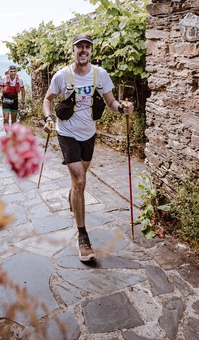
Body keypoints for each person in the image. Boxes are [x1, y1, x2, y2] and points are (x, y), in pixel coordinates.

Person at [42, 34, 133, 262]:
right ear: (72, 50)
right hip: (67, 134)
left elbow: (111, 102)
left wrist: (122, 108)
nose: (83, 50)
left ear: (91, 51)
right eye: (79, 47)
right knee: (81, 181)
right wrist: (47, 118)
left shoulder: (100, 74)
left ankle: (72, 196)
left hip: (88, 135)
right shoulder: (62, 76)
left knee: (78, 184)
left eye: (87, 47)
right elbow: (47, 99)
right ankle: (83, 237)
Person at [0, 64, 25, 132]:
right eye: (11, 71)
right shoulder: (3, 79)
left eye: (14, 71)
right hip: (5, 100)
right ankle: (7, 133)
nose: (13, 73)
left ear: (16, 71)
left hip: (14, 100)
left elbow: (23, 91)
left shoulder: (19, 80)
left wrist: (22, 102)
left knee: (14, 119)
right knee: (6, 118)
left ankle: (13, 134)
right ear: (8, 72)